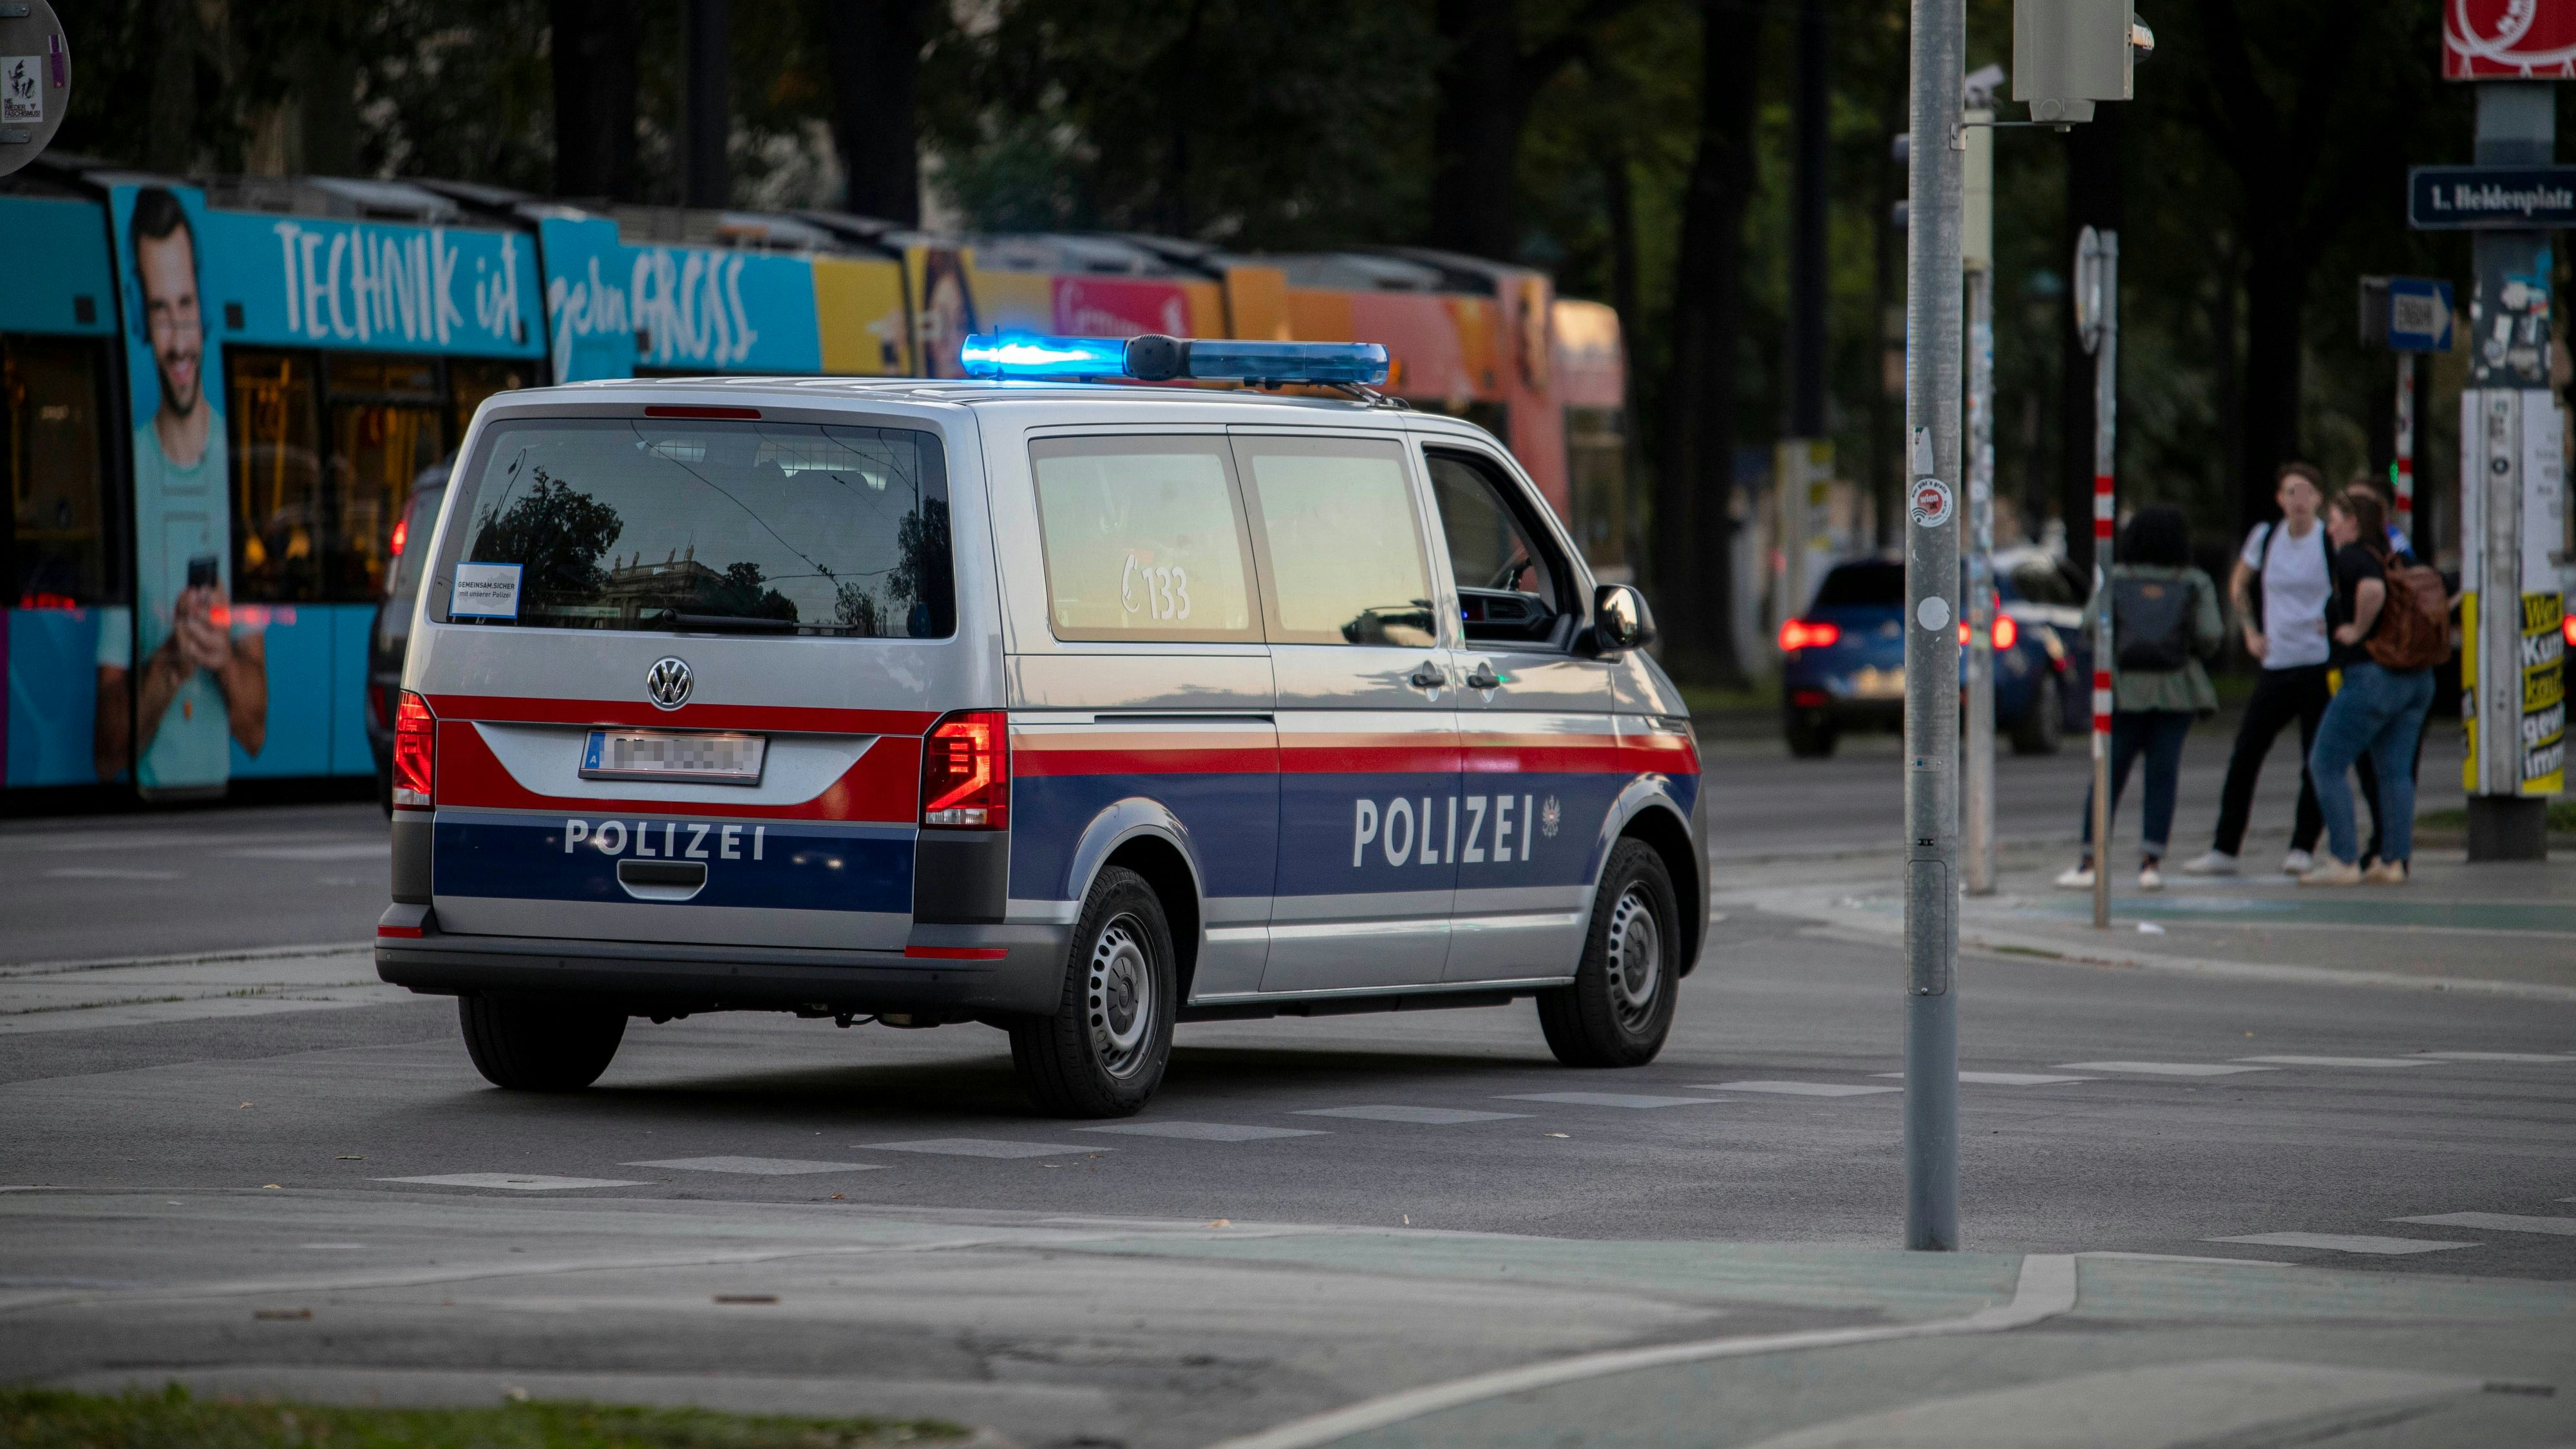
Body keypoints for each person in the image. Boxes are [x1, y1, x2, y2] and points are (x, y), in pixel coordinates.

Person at [92, 186, 267, 789]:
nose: (178, 339)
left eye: (186, 305)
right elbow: (106, 755)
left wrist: (221, 660)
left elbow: (254, 732)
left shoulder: (236, 468)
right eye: (161, 310)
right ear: (141, 316)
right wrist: (170, 663)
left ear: (205, 308)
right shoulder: (126, 474)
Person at [2058, 504, 2224, 893]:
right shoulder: (2194, 581)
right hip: (2177, 691)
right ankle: (2151, 863)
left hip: (2121, 690)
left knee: (2107, 774)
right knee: (2162, 776)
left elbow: (2089, 627)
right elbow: (2210, 635)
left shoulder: (2117, 579)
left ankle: (2089, 860)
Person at [2184, 463, 2332, 877]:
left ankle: (2303, 845)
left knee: (2315, 757)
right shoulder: (2267, 538)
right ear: (2279, 499)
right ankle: (2225, 847)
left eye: (2305, 492)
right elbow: (2238, 583)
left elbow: (2349, 583)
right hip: (2277, 659)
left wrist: (2336, 621)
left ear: (2318, 498)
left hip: (2317, 660)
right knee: (2246, 752)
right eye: (2289, 493)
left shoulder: (2327, 541)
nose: (2297, 501)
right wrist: (2250, 631)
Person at [2302, 488, 2436, 886]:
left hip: (2372, 676)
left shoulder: (2353, 557)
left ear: (2354, 523)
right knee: (2395, 771)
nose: (2329, 529)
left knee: (2325, 763)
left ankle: (2343, 859)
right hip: (2416, 678)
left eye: (2336, 518)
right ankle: (2394, 860)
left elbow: (2372, 592)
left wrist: (2356, 630)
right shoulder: (2393, 558)